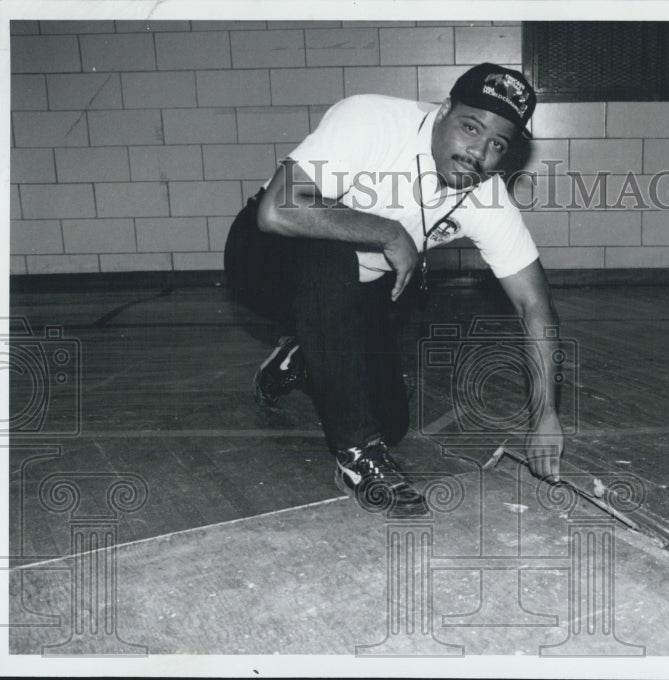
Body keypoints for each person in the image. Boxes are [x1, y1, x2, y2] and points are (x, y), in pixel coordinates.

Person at [224, 63, 564, 517]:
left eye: (496, 144)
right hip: (265, 259)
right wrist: (388, 232)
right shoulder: (371, 121)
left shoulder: (486, 196)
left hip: (349, 292)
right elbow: (277, 210)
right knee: (330, 251)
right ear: (444, 110)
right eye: (470, 127)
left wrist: (545, 415)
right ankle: (356, 456)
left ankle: (301, 358)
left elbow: (533, 305)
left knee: (391, 422)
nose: (477, 153)